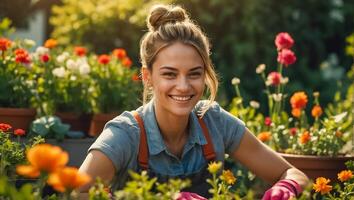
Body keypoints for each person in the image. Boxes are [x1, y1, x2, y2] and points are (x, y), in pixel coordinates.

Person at [79, 4, 309, 199]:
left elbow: (295, 174)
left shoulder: (214, 122)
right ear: (148, 77)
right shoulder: (125, 134)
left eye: (194, 73)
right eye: (170, 74)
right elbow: (76, 191)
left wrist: (285, 187)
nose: (183, 86)